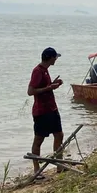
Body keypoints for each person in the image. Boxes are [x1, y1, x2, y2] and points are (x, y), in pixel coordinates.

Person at [27, 47, 64, 178]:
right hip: (41, 111)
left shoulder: (46, 71)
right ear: (49, 58)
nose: (56, 59)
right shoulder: (37, 71)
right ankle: (37, 170)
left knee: (59, 135)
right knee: (39, 139)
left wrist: (53, 84)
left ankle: (60, 165)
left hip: (51, 108)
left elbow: (45, 88)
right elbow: (30, 91)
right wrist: (49, 87)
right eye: (55, 57)